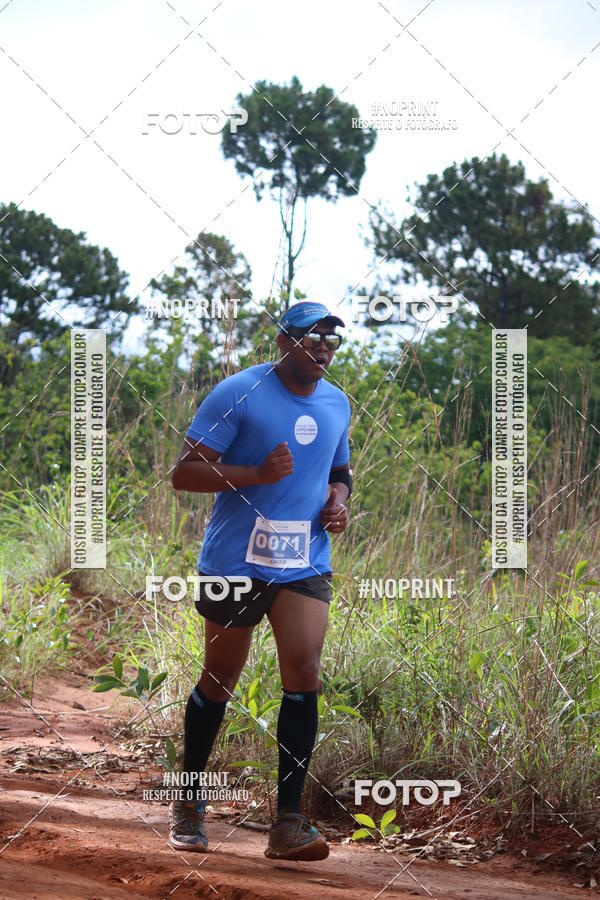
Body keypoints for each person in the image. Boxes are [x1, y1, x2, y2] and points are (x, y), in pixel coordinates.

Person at [168, 300, 353, 861]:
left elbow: (340, 473)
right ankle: (188, 803)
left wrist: (338, 503)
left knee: (305, 673)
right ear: (283, 341)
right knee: (219, 679)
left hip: (304, 560)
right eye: (312, 338)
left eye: (332, 340)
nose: (323, 349)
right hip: (235, 561)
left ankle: (288, 823)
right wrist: (256, 473)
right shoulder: (238, 393)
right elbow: (184, 473)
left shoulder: (337, 402)